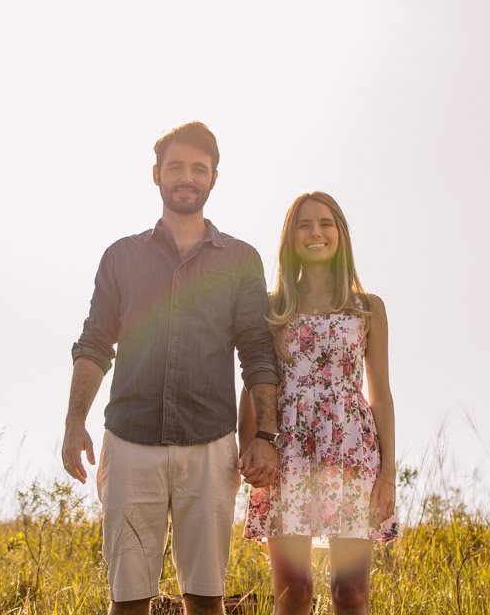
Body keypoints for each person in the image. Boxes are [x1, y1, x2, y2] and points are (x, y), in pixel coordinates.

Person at [61, 122, 282, 615]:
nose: (187, 177)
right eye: (177, 167)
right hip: (129, 441)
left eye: (198, 169)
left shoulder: (241, 260)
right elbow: (95, 343)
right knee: (129, 600)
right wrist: (75, 422)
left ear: (214, 179)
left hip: (209, 446)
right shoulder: (121, 256)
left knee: (206, 599)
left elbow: (257, 352)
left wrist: (265, 434)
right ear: (156, 174)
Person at [238, 191, 398, 615]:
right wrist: (248, 449)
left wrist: (388, 474)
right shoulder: (273, 309)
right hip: (286, 456)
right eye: (304, 225)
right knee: (295, 590)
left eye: (325, 223)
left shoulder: (367, 308)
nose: (315, 233)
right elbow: (255, 385)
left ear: (340, 234)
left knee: (352, 592)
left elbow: (380, 394)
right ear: (290, 238)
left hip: (351, 454)